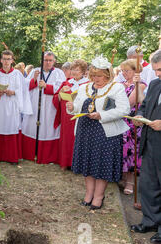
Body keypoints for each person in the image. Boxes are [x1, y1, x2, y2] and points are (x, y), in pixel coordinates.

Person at [67, 56, 130, 210]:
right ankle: (89, 194)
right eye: (93, 75)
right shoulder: (84, 87)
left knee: (102, 164)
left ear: (108, 75)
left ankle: (98, 196)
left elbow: (124, 110)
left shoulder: (116, 88)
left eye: (99, 76)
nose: (96, 78)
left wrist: (101, 115)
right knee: (87, 162)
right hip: (85, 130)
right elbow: (78, 106)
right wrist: (71, 107)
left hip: (105, 132)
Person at [130, 49, 161, 244]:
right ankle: (150, 220)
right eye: (156, 69)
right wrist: (140, 116)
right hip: (150, 143)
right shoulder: (155, 84)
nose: (157, 74)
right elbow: (144, 104)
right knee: (148, 186)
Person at [21, 51, 66, 164]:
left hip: (50, 107)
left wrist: (46, 86)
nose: (47, 62)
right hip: (35, 105)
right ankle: (31, 154)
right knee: (31, 126)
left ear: (54, 61)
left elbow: (62, 87)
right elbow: (25, 85)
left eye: (50, 60)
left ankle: (47, 156)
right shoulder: (36, 71)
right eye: (45, 60)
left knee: (48, 128)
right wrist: (34, 80)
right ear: (42, 61)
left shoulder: (59, 73)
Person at [0, 50, 32, 163]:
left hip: (13, 106)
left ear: (12, 60)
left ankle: (12, 157)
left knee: (12, 128)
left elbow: (23, 91)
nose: (6, 61)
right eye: (4, 59)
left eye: (8, 59)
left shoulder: (18, 74)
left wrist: (14, 92)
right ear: (1, 60)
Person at [53, 59, 89, 170]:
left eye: (77, 70)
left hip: (80, 116)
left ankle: (77, 165)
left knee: (78, 139)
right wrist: (61, 92)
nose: (74, 72)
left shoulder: (88, 84)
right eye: (72, 69)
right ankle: (64, 162)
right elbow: (56, 99)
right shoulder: (66, 83)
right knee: (66, 139)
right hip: (66, 117)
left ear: (83, 72)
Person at [119, 59, 147, 195]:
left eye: (127, 71)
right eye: (122, 70)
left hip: (132, 124)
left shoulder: (140, 85)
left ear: (136, 72)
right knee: (122, 151)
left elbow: (128, 104)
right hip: (120, 122)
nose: (123, 73)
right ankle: (123, 178)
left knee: (131, 153)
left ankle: (130, 182)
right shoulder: (120, 84)